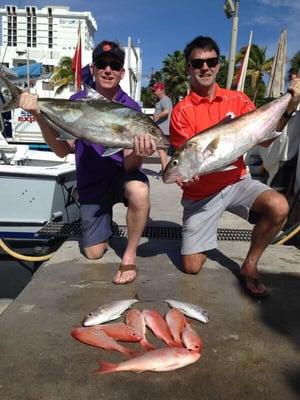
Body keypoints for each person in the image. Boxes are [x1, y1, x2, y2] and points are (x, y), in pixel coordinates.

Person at [170, 36, 300, 297]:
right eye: (198, 63)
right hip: (201, 196)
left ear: (218, 66)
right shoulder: (181, 112)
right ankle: (203, 234)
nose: (205, 67)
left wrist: (289, 106)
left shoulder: (238, 100)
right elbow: (185, 159)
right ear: (189, 68)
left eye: (211, 61)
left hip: (237, 182)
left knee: (279, 206)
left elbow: (263, 143)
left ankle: (250, 264)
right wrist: (185, 173)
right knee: (192, 267)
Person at [19, 40, 157, 285]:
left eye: (114, 65)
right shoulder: (77, 101)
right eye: (102, 64)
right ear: (92, 69)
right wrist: (39, 115)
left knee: (140, 191)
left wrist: (140, 151)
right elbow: (62, 150)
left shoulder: (131, 108)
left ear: (122, 72)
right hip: (92, 183)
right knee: (93, 253)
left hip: (120, 177)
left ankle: (130, 253)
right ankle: (106, 224)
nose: (108, 70)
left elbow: (130, 167)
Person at [151, 82, 173, 174]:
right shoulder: (161, 100)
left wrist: (155, 117)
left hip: (163, 130)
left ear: (160, 90)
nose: (154, 92)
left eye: (155, 90)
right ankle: (165, 169)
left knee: (161, 150)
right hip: (162, 130)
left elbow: (167, 111)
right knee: (162, 150)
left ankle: (164, 170)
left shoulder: (165, 99)